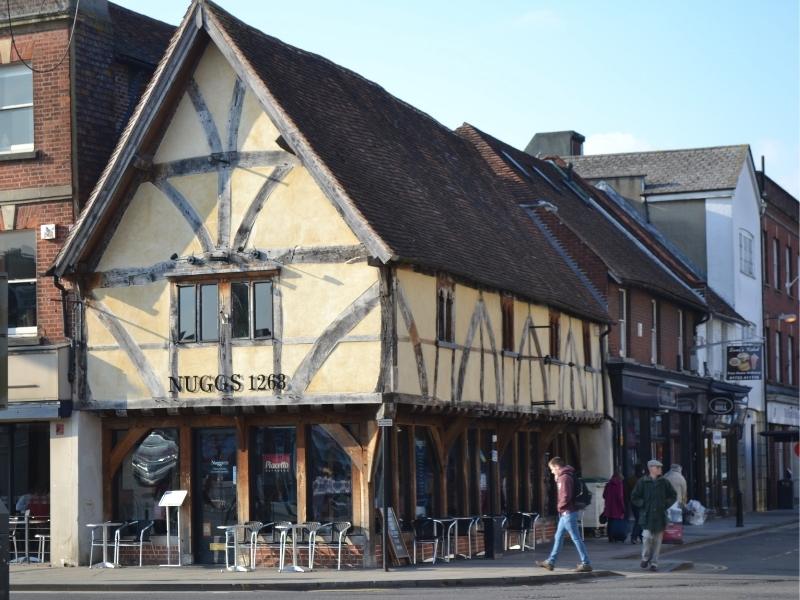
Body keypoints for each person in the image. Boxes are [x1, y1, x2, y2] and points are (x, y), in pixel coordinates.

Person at [536, 457, 592, 572]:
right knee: (558, 537)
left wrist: (560, 507)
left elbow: (565, 496)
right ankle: (550, 561)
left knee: (576, 538)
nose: (551, 472)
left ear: (557, 467)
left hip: (567, 512)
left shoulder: (564, 478)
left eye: (552, 469)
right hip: (567, 512)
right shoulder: (566, 475)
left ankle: (586, 563)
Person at [631, 459, 677, 572]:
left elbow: (673, 495)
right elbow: (634, 496)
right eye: (658, 467)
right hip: (647, 516)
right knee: (646, 538)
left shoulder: (664, 482)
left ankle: (654, 563)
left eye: (660, 467)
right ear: (651, 468)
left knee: (657, 541)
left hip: (660, 516)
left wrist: (665, 504)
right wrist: (643, 504)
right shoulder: (642, 482)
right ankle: (645, 558)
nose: (660, 469)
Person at [602, 468, 626, 542]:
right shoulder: (619, 484)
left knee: (610, 522)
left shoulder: (608, 484)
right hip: (617, 507)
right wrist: (623, 508)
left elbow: (604, 495)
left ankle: (610, 537)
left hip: (609, 506)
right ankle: (616, 537)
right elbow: (620, 497)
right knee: (616, 522)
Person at [626, 463, 644, 543]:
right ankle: (634, 537)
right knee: (639, 520)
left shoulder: (631, 479)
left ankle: (641, 537)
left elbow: (627, 491)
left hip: (633, 502)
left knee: (639, 519)